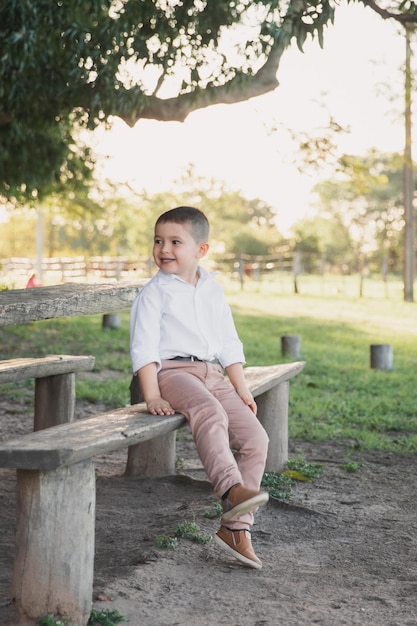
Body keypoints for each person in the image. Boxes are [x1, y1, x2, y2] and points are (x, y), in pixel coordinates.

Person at [130, 206, 269, 569]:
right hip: (172, 373)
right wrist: (152, 395)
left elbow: (228, 342)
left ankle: (236, 529)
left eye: (176, 241)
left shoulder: (211, 289)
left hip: (211, 373)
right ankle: (230, 490)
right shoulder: (154, 293)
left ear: (200, 250)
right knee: (208, 413)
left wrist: (240, 387)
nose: (164, 249)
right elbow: (143, 348)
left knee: (256, 439)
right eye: (158, 241)